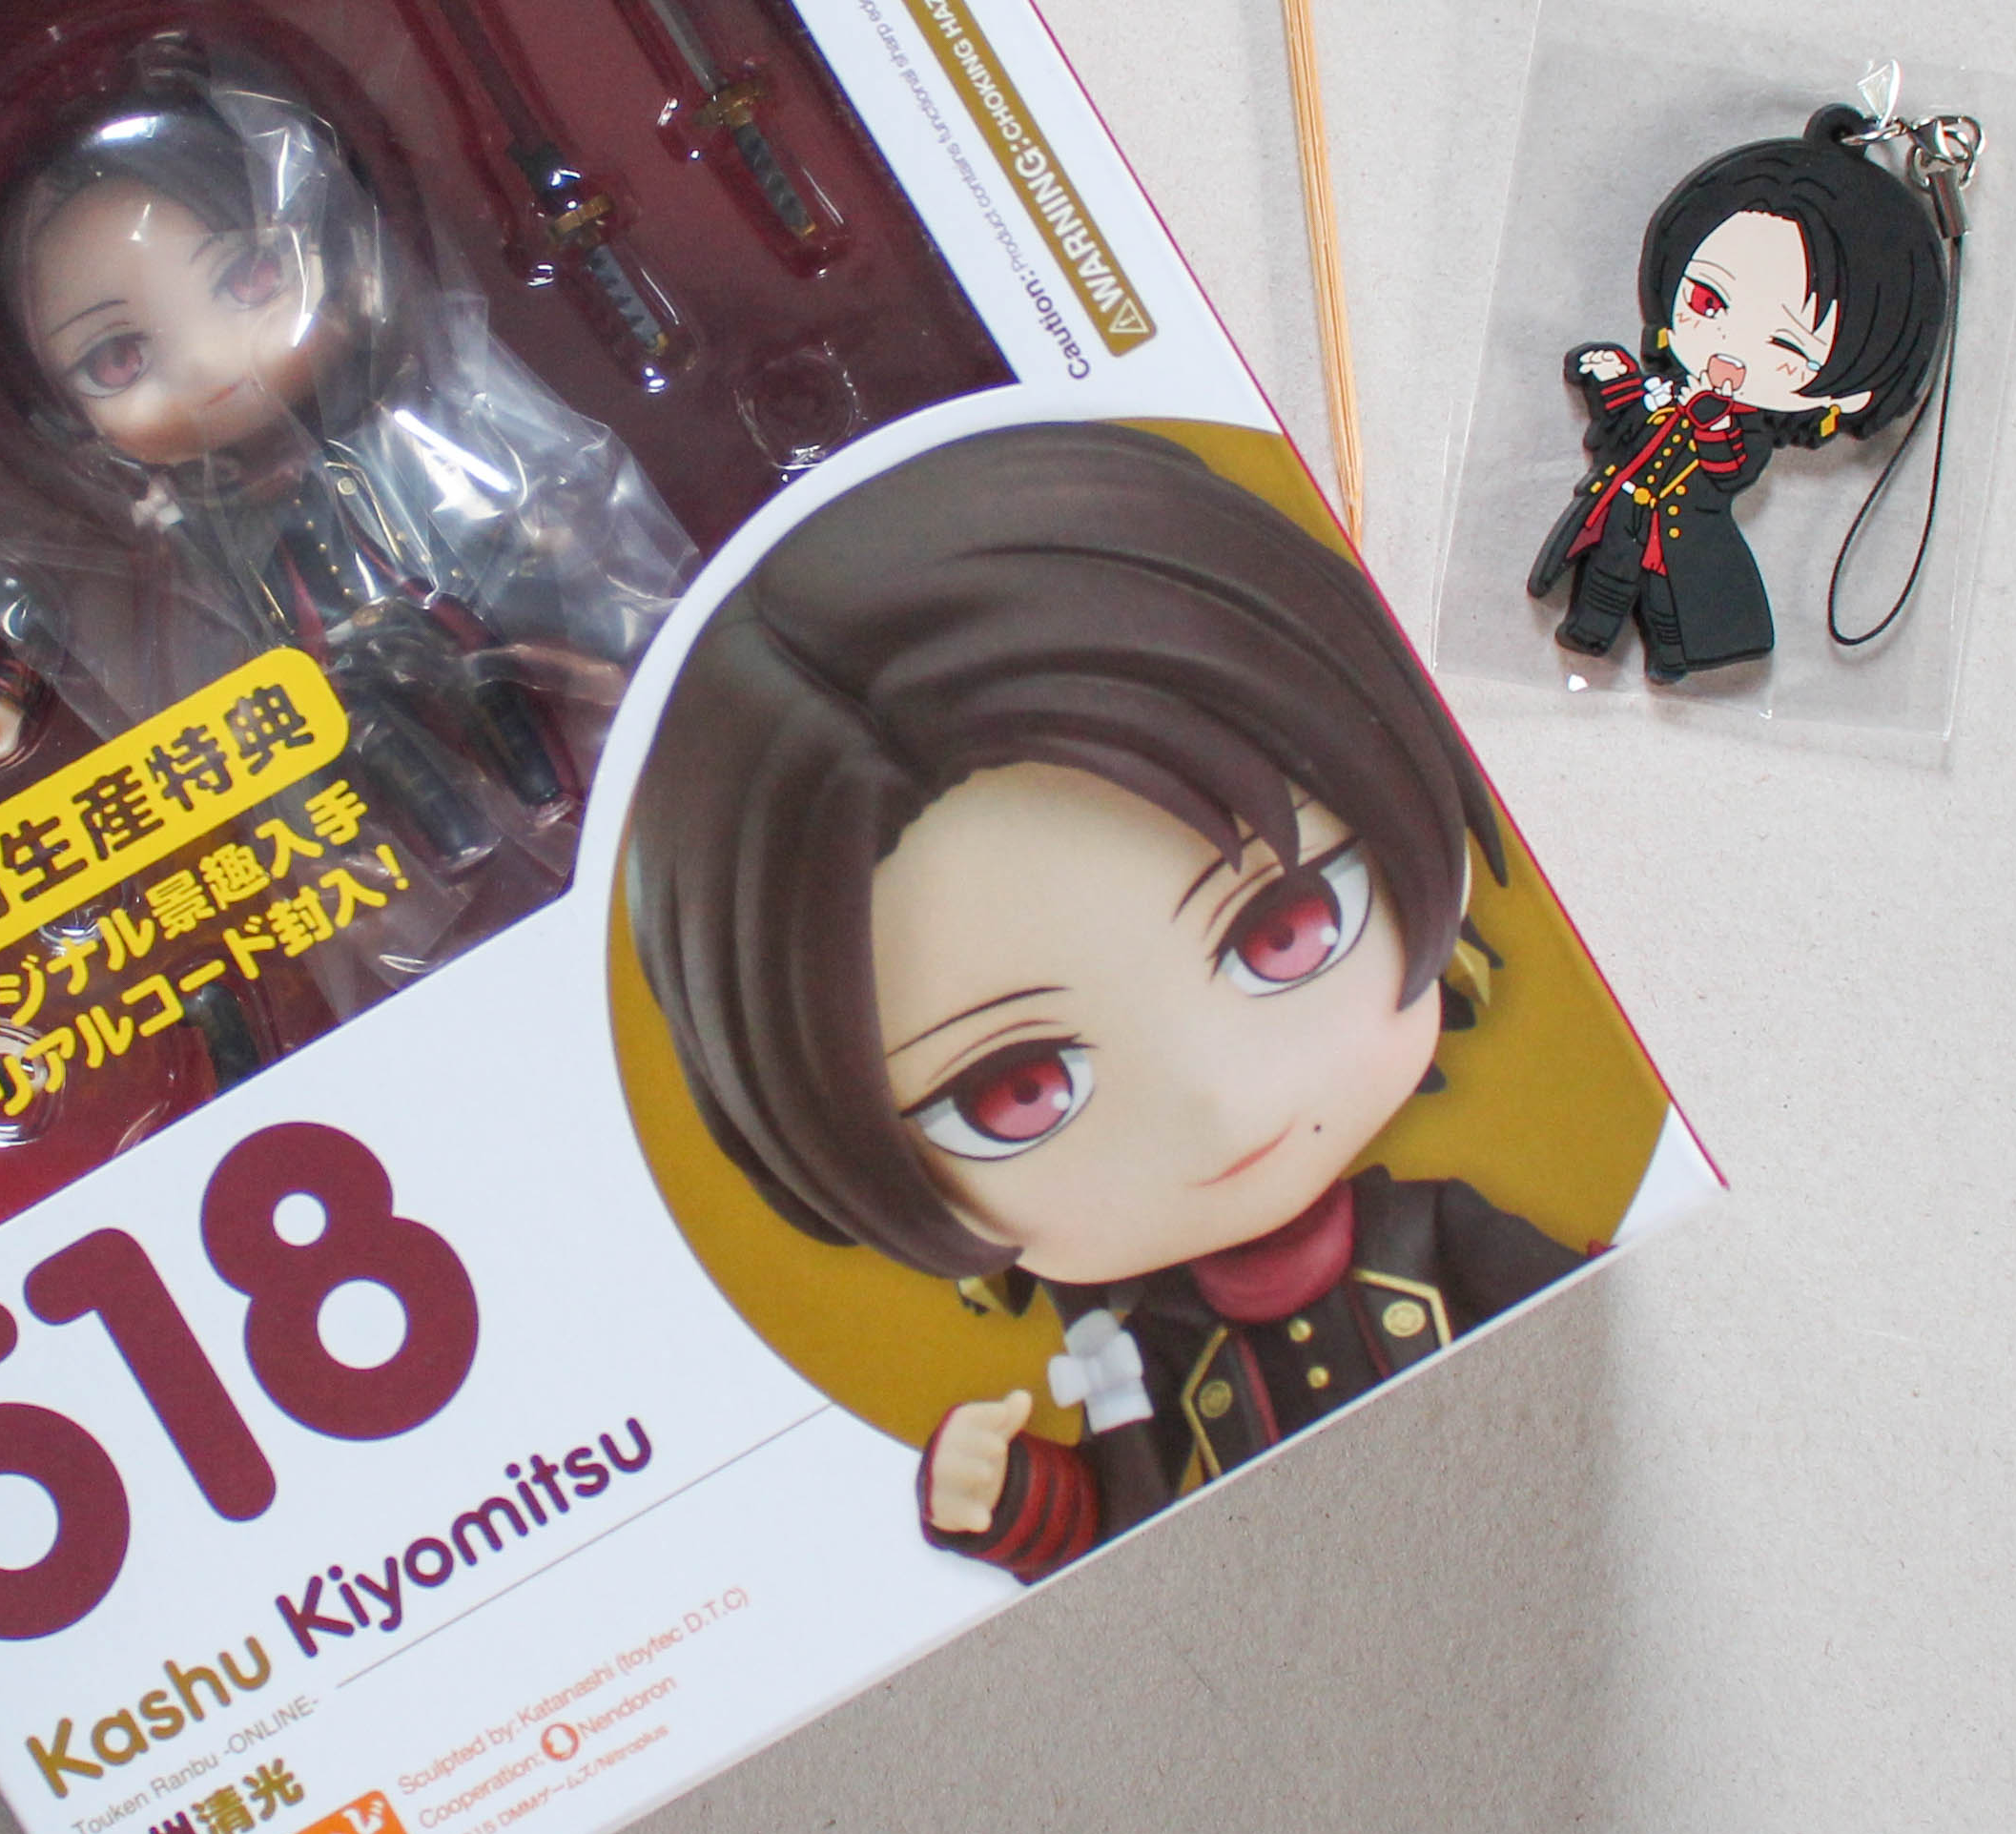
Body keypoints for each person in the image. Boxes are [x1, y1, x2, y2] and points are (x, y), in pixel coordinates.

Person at [627, 421, 1587, 1582]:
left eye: (1283, 932)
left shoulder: (1440, 1235)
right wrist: (1009, 1501)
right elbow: (1124, 1528)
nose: (1219, 1103)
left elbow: (1590, 1322)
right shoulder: (1140, 1355)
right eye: (1020, 1091)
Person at [0, 26, 694, 870]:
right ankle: (452, 840)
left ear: (337, 262)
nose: (209, 364)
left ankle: (543, 787)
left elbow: (490, 516)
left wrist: (540, 547)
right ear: (54, 408)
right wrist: (4, 698)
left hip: (432, 606)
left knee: (485, 673)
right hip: (313, 665)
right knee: (364, 740)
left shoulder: (391, 435)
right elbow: (67, 614)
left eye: (248, 280)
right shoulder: (175, 518)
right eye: (117, 359)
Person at [1533, 104, 1950, 679]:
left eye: (1786, 345)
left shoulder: (1743, 428)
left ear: (1851, 394)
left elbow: (1729, 466)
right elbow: (1626, 420)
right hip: (1620, 506)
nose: (1728, 348)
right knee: (1605, 577)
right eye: (1709, 302)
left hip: (1680, 531)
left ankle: (1673, 654)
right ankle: (1590, 629)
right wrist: (1611, 376)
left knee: (1667, 597)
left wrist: (1713, 421)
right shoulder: (1667, 388)